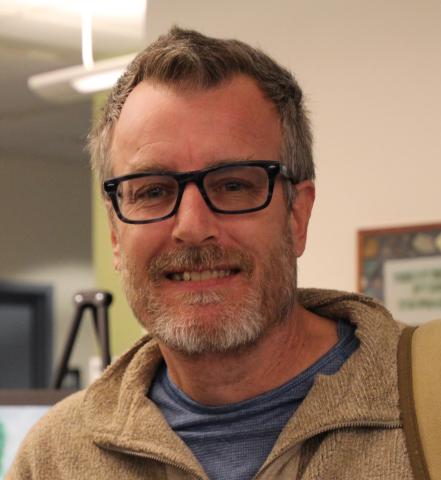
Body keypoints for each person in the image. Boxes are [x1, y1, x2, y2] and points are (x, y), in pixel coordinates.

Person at [8, 27, 414, 479]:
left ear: (297, 215)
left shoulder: (424, 405)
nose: (193, 227)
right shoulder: (55, 458)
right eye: (153, 191)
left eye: (234, 185)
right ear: (115, 235)